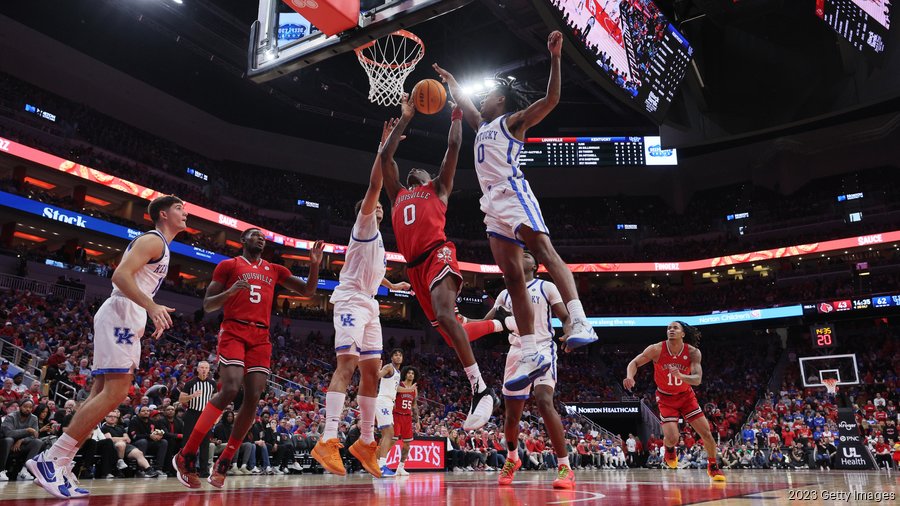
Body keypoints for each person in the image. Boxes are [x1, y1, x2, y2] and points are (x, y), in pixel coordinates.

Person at [433, 31, 597, 395]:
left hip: (512, 192)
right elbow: (466, 103)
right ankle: (532, 350)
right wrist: (452, 82)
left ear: (501, 100)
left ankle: (580, 320)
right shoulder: (482, 125)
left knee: (543, 253)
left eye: (489, 94)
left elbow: (551, 99)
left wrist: (555, 57)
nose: (484, 98)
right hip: (490, 204)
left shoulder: (513, 121)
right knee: (511, 279)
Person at [28, 195, 186, 498]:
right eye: (180, 209)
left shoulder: (161, 246)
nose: (185, 215)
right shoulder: (153, 240)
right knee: (116, 391)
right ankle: (50, 459)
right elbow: (120, 276)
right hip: (122, 313)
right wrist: (152, 307)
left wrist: (148, 311)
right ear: (163, 214)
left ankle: (59, 463)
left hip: (126, 314)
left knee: (101, 393)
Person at [380, 95, 500, 431]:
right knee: (450, 332)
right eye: (411, 167)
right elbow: (385, 157)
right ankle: (500, 323)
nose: (415, 167)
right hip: (415, 268)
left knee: (447, 316)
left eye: (421, 167)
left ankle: (481, 389)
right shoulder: (396, 195)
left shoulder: (439, 187)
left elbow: (453, 145)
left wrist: (457, 113)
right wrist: (405, 118)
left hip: (438, 253)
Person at [174, 228, 324, 488]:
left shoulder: (275, 269)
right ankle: (186, 453)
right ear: (243, 240)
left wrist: (314, 266)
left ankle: (225, 460)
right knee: (231, 388)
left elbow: (308, 292)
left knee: (253, 396)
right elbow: (208, 304)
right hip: (234, 330)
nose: (261, 238)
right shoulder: (228, 265)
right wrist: (230, 293)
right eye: (254, 235)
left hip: (261, 337)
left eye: (263, 236)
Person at [311, 120, 409, 479]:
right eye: (375, 207)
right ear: (364, 212)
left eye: (383, 208)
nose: (380, 209)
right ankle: (329, 437)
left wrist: (392, 286)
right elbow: (374, 184)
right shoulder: (364, 225)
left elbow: (373, 270)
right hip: (351, 301)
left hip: (370, 303)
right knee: (347, 366)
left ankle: (366, 441)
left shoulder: (379, 242)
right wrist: (384, 146)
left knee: (372, 371)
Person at [476, 251, 574, 489]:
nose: (521, 257)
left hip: (541, 347)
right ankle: (512, 458)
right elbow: (486, 323)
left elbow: (565, 316)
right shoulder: (504, 293)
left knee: (543, 401)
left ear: (535, 265)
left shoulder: (546, 287)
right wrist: (460, 323)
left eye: (527, 255)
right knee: (511, 417)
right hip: (516, 352)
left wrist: (569, 331)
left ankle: (565, 467)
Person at [623, 321, 726, 481]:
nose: (671, 330)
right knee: (672, 438)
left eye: (675, 328)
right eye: (669, 328)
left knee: (706, 433)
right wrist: (630, 377)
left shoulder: (693, 352)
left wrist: (682, 376)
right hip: (665, 397)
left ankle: (713, 466)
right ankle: (669, 449)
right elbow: (634, 362)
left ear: (683, 334)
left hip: (686, 396)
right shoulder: (656, 349)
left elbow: (697, 379)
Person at [375, 348, 416, 476]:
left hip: (388, 402)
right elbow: (377, 375)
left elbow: (396, 388)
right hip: (383, 401)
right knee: (389, 434)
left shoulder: (397, 372)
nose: (398, 357)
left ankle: (377, 464)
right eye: (395, 355)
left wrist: (409, 389)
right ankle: (381, 466)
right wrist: (377, 368)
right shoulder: (389, 367)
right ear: (392, 357)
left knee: (387, 434)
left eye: (400, 355)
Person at [178, 361, 217, 477]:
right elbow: (181, 399)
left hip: (206, 415)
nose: (204, 370)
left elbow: (215, 401)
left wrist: (215, 416)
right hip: (192, 414)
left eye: (206, 368)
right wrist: (192, 396)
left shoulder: (212, 384)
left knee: (205, 443)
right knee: (188, 442)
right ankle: (186, 467)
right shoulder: (190, 383)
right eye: (202, 368)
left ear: (209, 370)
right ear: (198, 369)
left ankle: (204, 470)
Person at [391, 366, 419, 476]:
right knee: (392, 441)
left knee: (407, 444)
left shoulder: (414, 389)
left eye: (412, 373)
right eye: (409, 373)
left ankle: (400, 467)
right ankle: (379, 463)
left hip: (407, 417)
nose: (411, 374)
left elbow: (414, 405)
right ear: (405, 374)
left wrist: (417, 421)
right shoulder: (399, 385)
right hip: (396, 415)